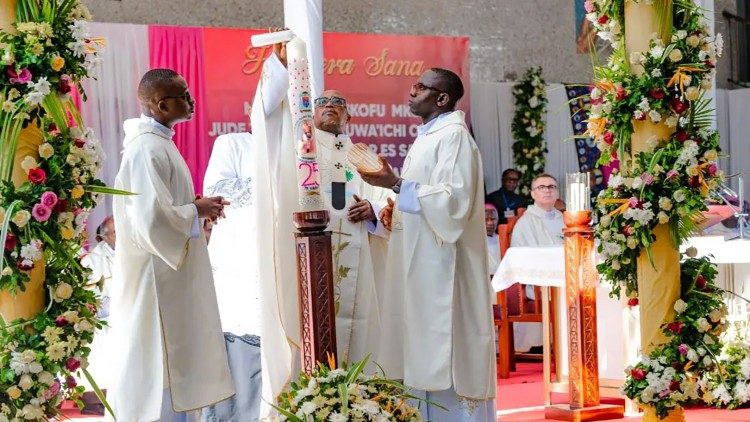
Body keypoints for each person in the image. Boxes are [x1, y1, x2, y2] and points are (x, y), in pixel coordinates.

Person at [248, 36, 388, 417]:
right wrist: (279, 67)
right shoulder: (297, 145)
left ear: (349, 117)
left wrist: (373, 210)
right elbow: (264, 113)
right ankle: (311, 405)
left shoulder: (364, 156)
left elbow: (392, 202)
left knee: (359, 341)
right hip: (310, 266)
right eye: (323, 102)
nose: (329, 108)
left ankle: (357, 408)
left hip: (360, 270)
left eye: (338, 104)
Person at [360, 68, 496, 421]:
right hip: (422, 265)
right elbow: (424, 196)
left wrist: (395, 184)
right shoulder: (428, 136)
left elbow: (453, 201)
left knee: (441, 348)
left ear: (442, 98)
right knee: (417, 348)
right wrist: (396, 211)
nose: (411, 90)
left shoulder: (454, 137)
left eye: (421, 86)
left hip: (442, 269)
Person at [109, 68, 234, 422]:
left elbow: (160, 207)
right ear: (162, 105)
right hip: (155, 278)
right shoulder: (146, 148)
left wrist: (195, 209)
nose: (192, 101)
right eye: (184, 95)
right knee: (158, 365)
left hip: (169, 269)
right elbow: (151, 221)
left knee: (172, 362)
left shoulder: (159, 143)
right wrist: (195, 209)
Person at [509, 173, 564, 354]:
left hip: (566, 279)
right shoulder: (525, 222)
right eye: (542, 187)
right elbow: (520, 258)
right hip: (539, 285)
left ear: (557, 193)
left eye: (552, 187)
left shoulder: (566, 219)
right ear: (532, 194)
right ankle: (552, 345)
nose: (547, 190)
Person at [485, 203, 501, 277]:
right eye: (486, 219)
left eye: (493, 219)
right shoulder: (474, 241)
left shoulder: (502, 239)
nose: (490, 223)